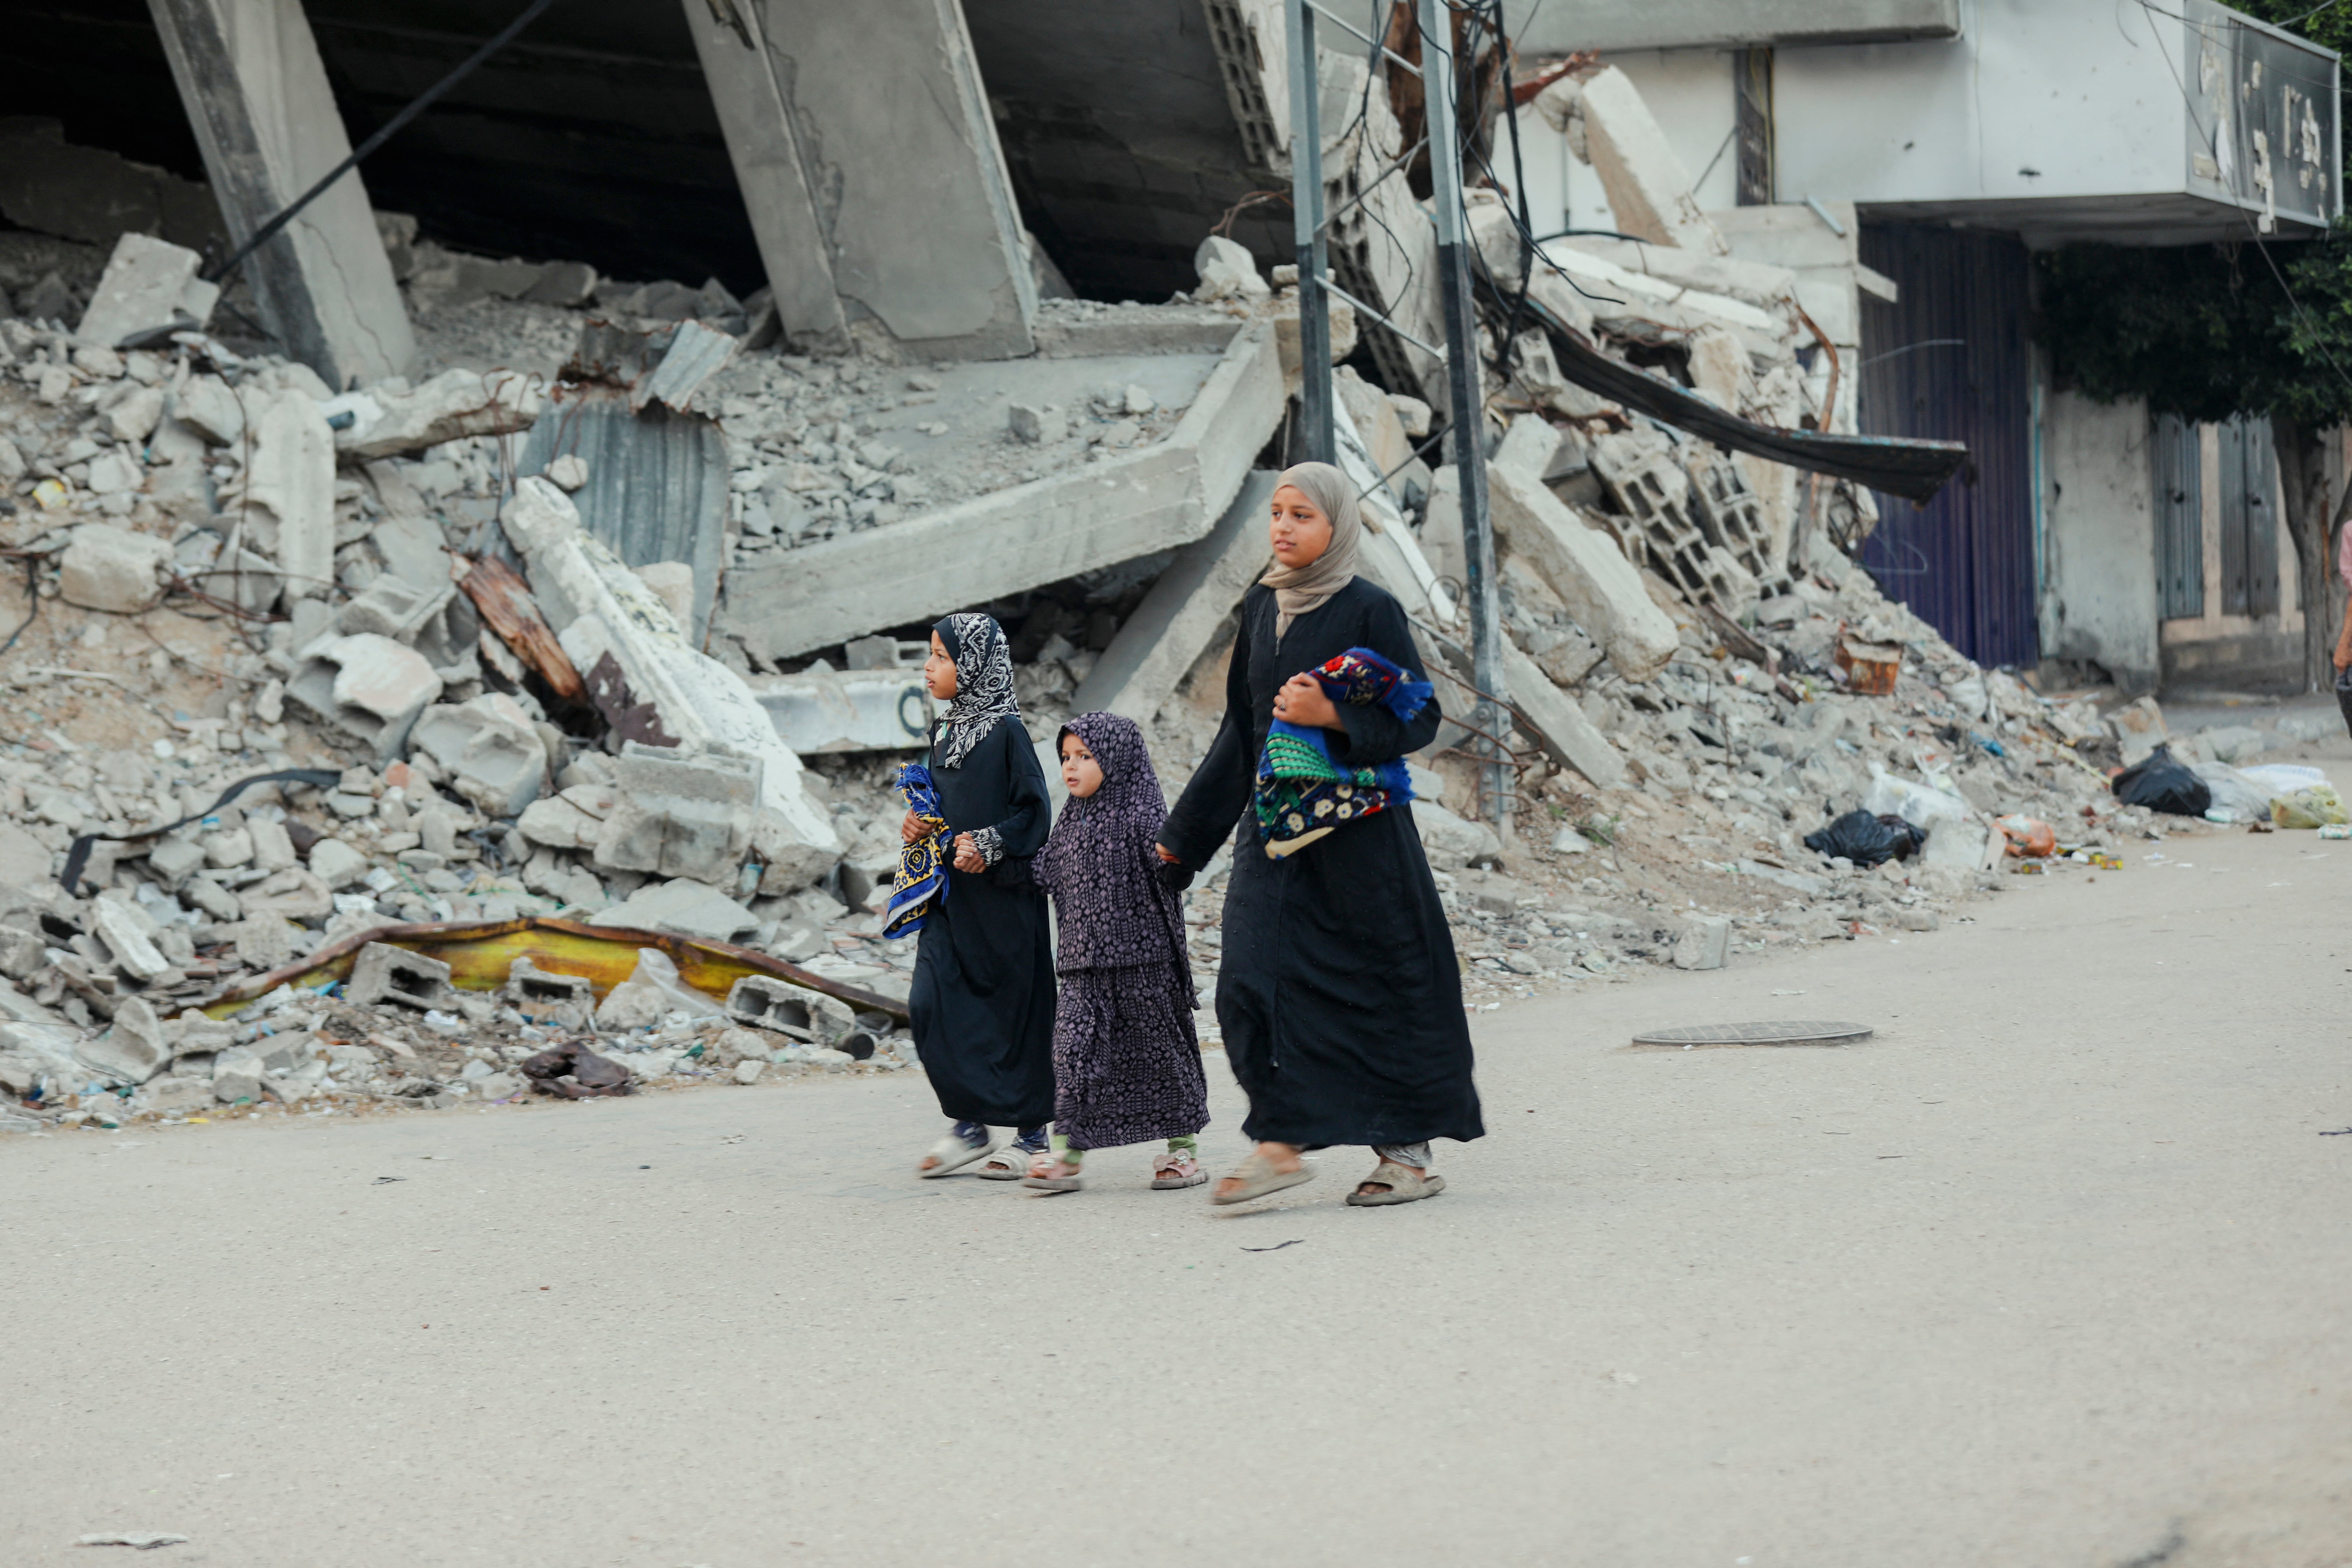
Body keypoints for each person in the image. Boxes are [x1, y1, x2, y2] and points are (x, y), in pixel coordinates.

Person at [1156, 461, 1483, 1206]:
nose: (1283, 526)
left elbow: (1420, 718)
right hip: (1273, 830)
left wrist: (1333, 718)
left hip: (1360, 837)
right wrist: (1182, 840)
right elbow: (1241, 732)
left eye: (1303, 515)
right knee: (1247, 979)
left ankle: (1405, 1155)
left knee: (1379, 983)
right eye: (1277, 512)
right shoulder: (1263, 606)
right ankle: (1281, 1139)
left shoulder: (1373, 608)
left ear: (1337, 526)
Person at [1016, 712, 1211, 1194]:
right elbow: (1043, 873)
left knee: (1161, 1055)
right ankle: (1066, 1156)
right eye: (1066, 757)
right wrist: (993, 849)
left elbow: (1173, 872)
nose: (1071, 766)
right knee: (1074, 1057)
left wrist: (1182, 862)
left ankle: (1182, 1153)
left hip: (1144, 964)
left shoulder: (1143, 816)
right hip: (1082, 968)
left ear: (1118, 759)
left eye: (1085, 756)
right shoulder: (1069, 823)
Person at [904, 614, 1058, 1180]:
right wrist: (918, 824)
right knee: (931, 1004)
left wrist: (991, 844)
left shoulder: (1008, 733)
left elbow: (1036, 813)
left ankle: (1032, 1134)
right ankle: (969, 1124)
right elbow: (940, 803)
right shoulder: (944, 732)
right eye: (932, 654)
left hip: (1005, 901)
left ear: (974, 667)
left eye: (942, 656)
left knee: (1014, 1011)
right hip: (951, 898)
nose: (930, 666)